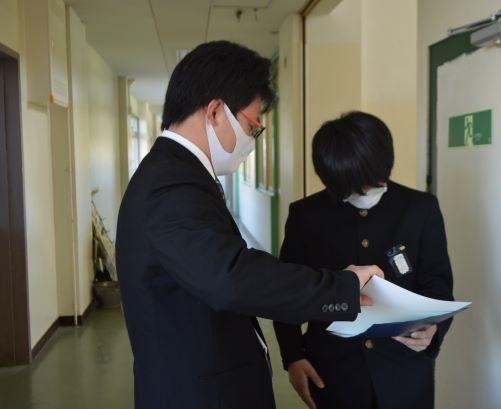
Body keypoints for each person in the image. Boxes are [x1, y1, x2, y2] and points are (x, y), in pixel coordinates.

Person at [115, 42, 383, 409]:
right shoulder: (171, 185)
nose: (252, 142)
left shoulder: (177, 174)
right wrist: (342, 286)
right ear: (215, 111)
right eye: (252, 126)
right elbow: (231, 277)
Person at [273, 112, 454, 409]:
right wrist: (293, 356)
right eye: (353, 185)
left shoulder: (420, 208)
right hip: (333, 371)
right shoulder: (306, 215)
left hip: (404, 371)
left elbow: (438, 284)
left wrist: (433, 331)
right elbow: (288, 293)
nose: (364, 192)